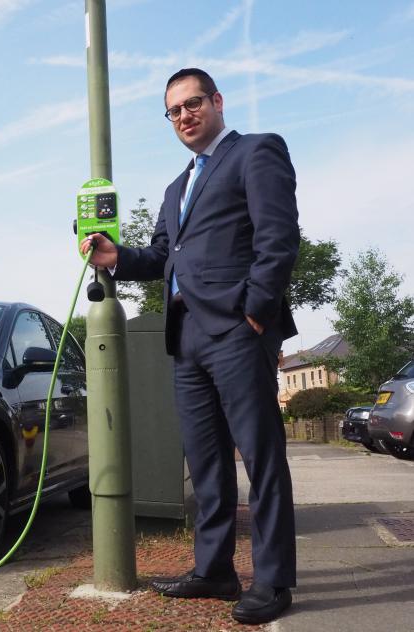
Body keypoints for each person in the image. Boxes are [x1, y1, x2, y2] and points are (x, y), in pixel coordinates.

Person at [80, 68, 299, 625]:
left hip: (237, 330)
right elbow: (161, 257)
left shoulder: (256, 152)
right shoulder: (178, 187)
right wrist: (115, 256)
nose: (184, 116)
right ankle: (215, 570)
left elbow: (278, 237)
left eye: (193, 103)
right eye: (174, 110)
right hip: (186, 337)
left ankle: (272, 581)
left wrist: (255, 310)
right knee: (205, 463)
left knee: (261, 457)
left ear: (217, 101)